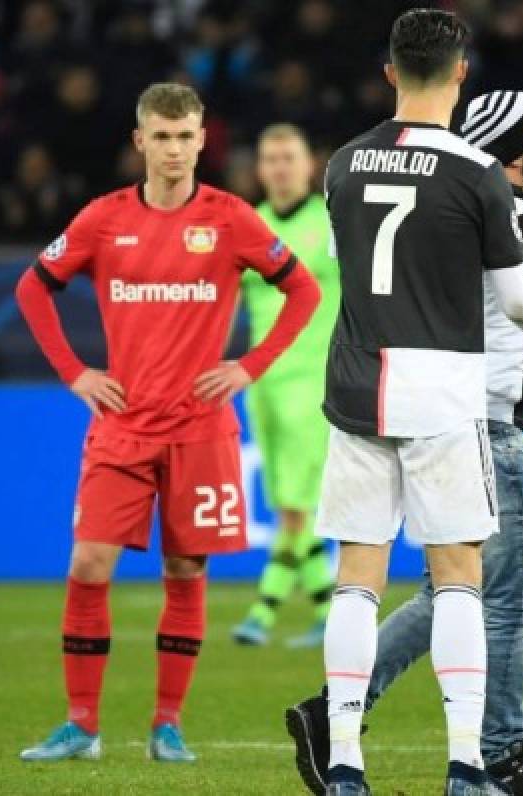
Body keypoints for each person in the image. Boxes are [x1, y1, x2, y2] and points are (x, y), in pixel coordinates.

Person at [280, 11, 523, 796]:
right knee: (460, 577)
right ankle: (470, 765)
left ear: (390, 72)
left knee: (357, 580)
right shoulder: (475, 173)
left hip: (358, 384)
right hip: (442, 392)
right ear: (461, 74)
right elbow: (518, 301)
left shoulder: (343, 165)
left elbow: (354, 271)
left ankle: (347, 769)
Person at [14, 82, 320, 764]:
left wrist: (249, 367)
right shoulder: (102, 219)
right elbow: (33, 287)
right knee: (89, 564)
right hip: (122, 428)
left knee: (185, 572)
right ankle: (82, 726)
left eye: (186, 137)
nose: (175, 149)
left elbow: (304, 288)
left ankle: (167, 725)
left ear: (202, 140)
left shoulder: (233, 218)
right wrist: (75, 373)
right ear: (140, 141)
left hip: (201, 430)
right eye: (162, 136)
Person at [232, 124, 340, 649]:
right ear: (259, 168)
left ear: (309, 164)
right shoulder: (248, 224)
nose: (279, 166)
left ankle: (264, 609)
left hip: (313, 381)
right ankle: (325, 610)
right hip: (262, 382)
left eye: (288, 157)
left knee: (298, 503)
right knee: (287, 503)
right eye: (269, 157)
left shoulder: (333, 223)